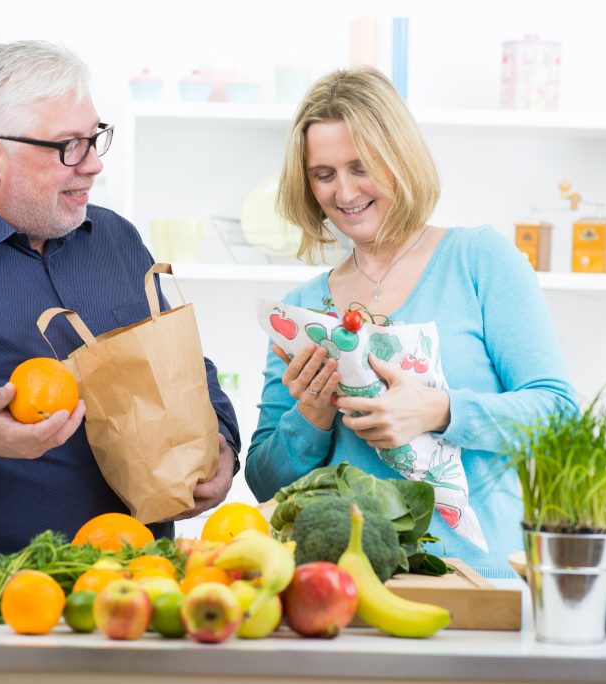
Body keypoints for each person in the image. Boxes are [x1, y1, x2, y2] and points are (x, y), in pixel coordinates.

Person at [0, 40, 240, 566]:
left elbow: (183, 365)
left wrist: (222, 441)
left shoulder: (117, 240)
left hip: (143, 586)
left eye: (95, 139)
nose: (92, 166)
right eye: (69, 146)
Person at [245, 67, 576, 578]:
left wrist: (440, 410)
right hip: (343, 584)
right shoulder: (302, 311)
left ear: (398, 158)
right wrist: (309, 418)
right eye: (324, 174)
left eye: (361, 167)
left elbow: (559, 414)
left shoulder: (478, 260)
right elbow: (265, 481)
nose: (345, 192)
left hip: (479, 580)